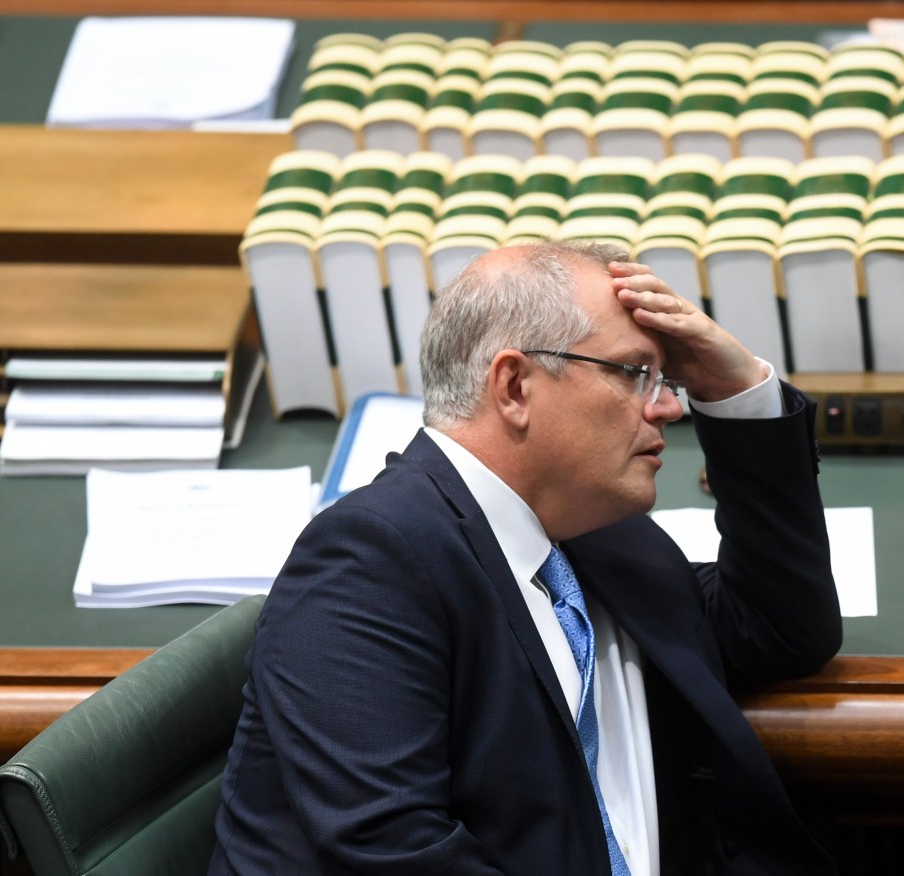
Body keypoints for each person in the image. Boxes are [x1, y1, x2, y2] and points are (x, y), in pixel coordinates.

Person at [209, 239, 842, 875]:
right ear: (514, 386)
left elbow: (781, 628)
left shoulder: (605, 537)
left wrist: (736, 391)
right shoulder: (371, 560)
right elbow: (394, 851)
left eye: (668, 379)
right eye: (634, 373)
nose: (670, 406)